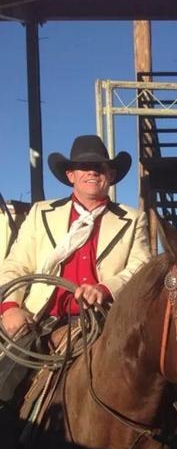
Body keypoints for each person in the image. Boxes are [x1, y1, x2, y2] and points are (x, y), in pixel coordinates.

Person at [0, 135, 151, 402]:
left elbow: (142, 267)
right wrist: (10, 307)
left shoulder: (133, 219)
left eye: (100, 167)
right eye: (84, 167)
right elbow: (16, 263)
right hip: (42, 320)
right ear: (71, 175)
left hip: (105, 321)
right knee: (4, 385)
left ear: (111, 174)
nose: (92, 172)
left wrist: (106, 289)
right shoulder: (40, 212)